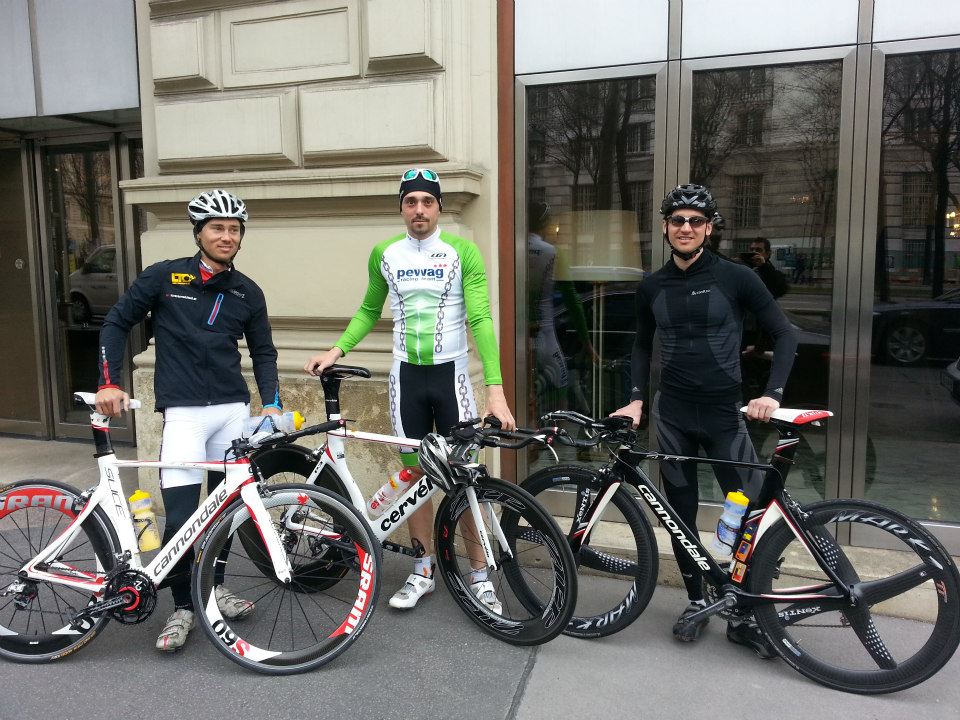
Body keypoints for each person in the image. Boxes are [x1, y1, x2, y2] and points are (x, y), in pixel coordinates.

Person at [304, 168, 516, 612]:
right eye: (411, 201)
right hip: (405, 380)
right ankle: (422, 570)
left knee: (464, 477)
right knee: (416, 475)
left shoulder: (462, 251)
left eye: (427, 201)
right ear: (402, 208)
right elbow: (368, 309)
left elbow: (480, 319)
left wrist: (495, 392)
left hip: (451, 377)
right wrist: (336, 350)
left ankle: (479, 574)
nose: (419, 209)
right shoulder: (384, 253)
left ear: (439, 207)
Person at [611, 184, 798, 658]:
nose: (686, 228)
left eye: (696, 221)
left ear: (709, 228)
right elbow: (641, 345)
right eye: (678, 220)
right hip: (672, 415)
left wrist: (772, 394)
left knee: (747, 514)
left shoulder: (736, 277)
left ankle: (743, 611)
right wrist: (636, 400)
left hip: (723, 416)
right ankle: (697, 601)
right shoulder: (653, 285)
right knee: (680, 517)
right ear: (666, 227)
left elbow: (784, 333)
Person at [95, 189, 282, 652]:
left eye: (234, 229)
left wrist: (272, 404)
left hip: (232, 413)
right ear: (199, 233)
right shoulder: (165, 276)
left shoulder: (247, 291)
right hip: (184, 415)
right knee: (181, 518)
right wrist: (108, 382)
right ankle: (182, 607)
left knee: (224, 513)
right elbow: (116, 322)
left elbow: (263, 352)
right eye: (217, 228)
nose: (226, 236)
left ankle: (214, 589)